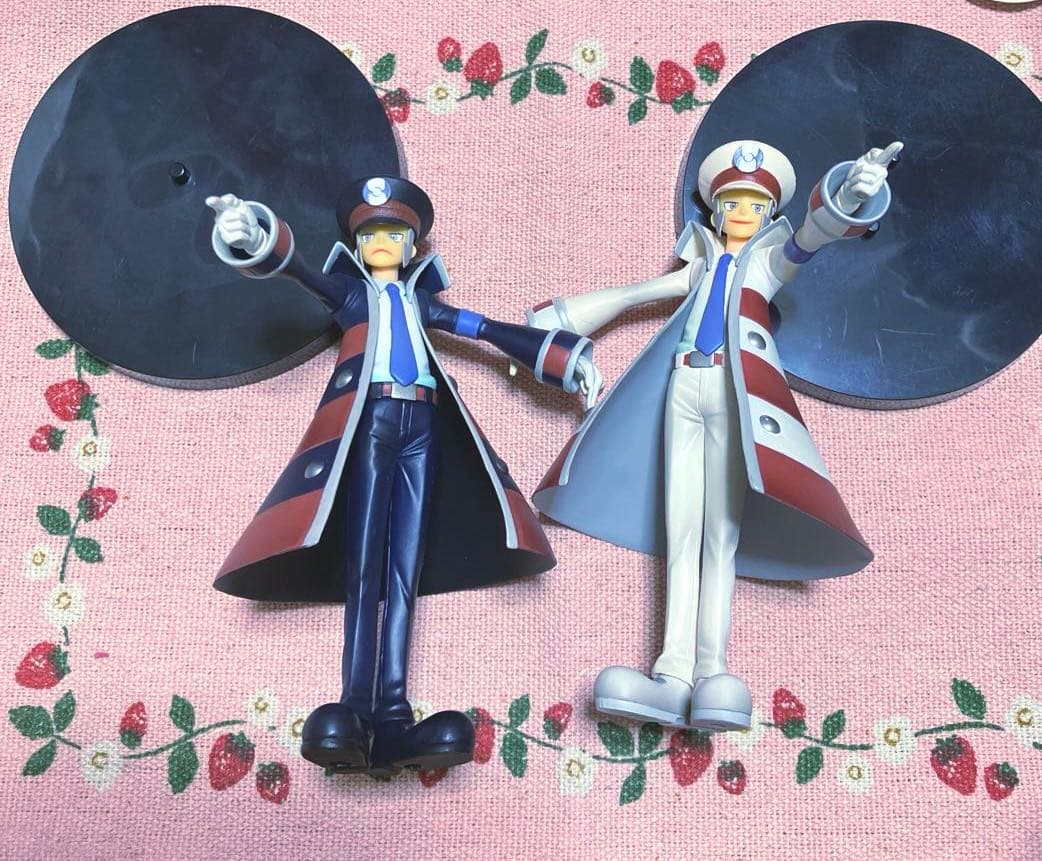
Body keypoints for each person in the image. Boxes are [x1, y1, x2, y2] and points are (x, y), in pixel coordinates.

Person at [206, 176, 602, 773]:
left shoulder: (422, 303)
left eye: (394, 234)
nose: (382, 243)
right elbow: (299, 272)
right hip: (371, 422)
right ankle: (353, 707)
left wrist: (565, 359)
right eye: (371, 235)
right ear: (357, 246)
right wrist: (254, 237)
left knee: (403, 571)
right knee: (365, 565)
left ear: (413, 245)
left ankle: (391, 717)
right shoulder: (352, 298)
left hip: (424, 427)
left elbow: (484, 329)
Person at [528, 140, 902, 730]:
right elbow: (647, 293)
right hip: (682, 388)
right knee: (681, 533)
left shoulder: (766, 263)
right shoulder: (700, 261)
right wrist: (568, 318)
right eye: (731, 203)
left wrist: (848, 198)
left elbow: (812, 237)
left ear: (768, 213)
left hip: (735, 393)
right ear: (714, 209)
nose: (741, 213)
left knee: (719, 536)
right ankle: (670, 675)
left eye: (754, 204)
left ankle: (711, 672)